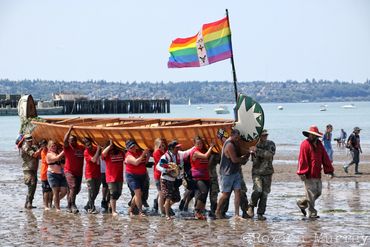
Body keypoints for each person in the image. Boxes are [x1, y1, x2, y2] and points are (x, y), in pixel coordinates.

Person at [296, 125, 334, 219]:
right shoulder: (304, 144)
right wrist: (302, 173)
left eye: (315, 135)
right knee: (311, 194)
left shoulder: (320, 144)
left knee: (318, 192)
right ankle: (312, 213)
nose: (313, 137)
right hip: (308, 174)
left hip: (317, 173)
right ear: (309, 135)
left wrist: (329, 170)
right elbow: (302, 159)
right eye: (311, 135)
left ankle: (301, 203)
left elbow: (325, 157)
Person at [215, 129, 249, 219]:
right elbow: (234, 160)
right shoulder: (229, 144)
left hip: (235, 172)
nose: (238, 139)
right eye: (236, 137)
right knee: (225, 194)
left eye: (238, 137)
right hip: (227, 173)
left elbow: (241, 151)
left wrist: (249, 152)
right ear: (232, 135)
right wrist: (244, 159)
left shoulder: (234, 142)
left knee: (238, 192)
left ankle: (237, 214)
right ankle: (217, 211)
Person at [247, 129, 276, 221]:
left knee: (265, 194)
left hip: (267, 173)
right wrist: (250, 151)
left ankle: (260, 213)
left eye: (266, 135)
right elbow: (248, 153)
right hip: (257, 173)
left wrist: (257, 150)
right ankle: (251, 205)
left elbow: (269, 155)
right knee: (258, 190)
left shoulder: (271, 144)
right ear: (259, 136)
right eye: (263, 135)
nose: (265, 137)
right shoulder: (254, 144)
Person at [157, 140, 185, 220]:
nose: (178, 149)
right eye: (176, 148)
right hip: (165, 179)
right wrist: (166, 170)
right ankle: (167, 215)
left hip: (173, 180)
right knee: (168, 197)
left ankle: (166, 206)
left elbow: (178, 167)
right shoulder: (165, 157)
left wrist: (180, 175)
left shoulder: (177, 156)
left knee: (177, 198)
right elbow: (158, 167)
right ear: (172, 148)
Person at [189, 136, 214, 220]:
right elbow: (205, 156)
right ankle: (196, 211)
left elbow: (207, 162)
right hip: (197, 177)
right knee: (203, 192)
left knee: (205, 195)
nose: (200, 145)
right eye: (198, 143)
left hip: (206, 176)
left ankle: (201, 212)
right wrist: (211, 146)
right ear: (194, 144)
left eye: (201, 143)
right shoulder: (195, 152)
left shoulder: (203, 150)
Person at [125, 140, 150, 217]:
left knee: (138, 194)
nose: (133, 148)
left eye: (133, 146)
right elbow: (136, 162)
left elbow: (145, 162)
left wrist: (148, 153)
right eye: (131, 147)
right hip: (132, 176)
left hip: (142, 175)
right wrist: (144, 153)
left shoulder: (139, 151)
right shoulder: (128, 155)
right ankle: (140, 211)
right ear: (128, 148)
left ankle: (131, 209)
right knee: (138, 193)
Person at [63, 126, 85, 214]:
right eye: (71, 140)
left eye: (74, 140)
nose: (73, 142)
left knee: (74, 190)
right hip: (69, 171)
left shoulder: (81, 147)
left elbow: (88, 144)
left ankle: (68, 206)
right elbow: (65, 140)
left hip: (79, 172)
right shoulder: (67, 148)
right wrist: (69, 130)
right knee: (73, 187)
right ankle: (73, 205)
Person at [102, 140, 125, 216]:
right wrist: (110, 146)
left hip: (119, 177)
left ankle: (109, 203)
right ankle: (113, 211)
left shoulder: (121, 152)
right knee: (113, 193)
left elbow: (126, 155)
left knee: (119, 193)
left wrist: (120, 145)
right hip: (111, 177)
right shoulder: (108, 153)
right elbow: (103, 153)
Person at [21, 134, 42, 209]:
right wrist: (41, 148)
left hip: (33, 169)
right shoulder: (25, 147)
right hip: (28, 169)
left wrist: (40, 147)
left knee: (33, 186)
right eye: (28, 141)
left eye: (31, 140)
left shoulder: (33, 147)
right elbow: (35, 155)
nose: (30, 142)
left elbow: (39, 156)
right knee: (31, 185)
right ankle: (29, 203)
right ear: (25, 141)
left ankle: (28, 203)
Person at [46, 140, 67, 212]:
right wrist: (65, 150)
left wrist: (64, 171)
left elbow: (61, 163)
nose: (54, 147)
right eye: (52, 146)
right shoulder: (49, 154)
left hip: (61, 174)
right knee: (56, 192)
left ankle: (54, 202)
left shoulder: (57, 152)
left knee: (64, 191)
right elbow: (57, 158)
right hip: (52, 175)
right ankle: (58, 208)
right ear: (49, 147)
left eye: (54, 146)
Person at [83, 137, 101, 214]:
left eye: (90, 144)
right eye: (87, 145)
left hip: (97, 174)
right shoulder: (86, 152)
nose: (89, 146)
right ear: (85, 146)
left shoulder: (95, 148)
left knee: (96, 192)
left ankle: (87, 205)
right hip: (89, 174)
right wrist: (98, 150)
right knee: (91, 192)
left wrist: (98, 148)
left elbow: (101, 149)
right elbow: (93, 160)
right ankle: (91, 208)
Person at [152, 138, 167, 214]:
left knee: (161, 192)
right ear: (157, 146)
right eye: (160, 146)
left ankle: (156, 202)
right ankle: (162, 212)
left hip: (163, 175)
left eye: (163, 145)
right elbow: (162, 163)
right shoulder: (156, 153)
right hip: (158, 175)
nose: (162, 147)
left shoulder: (163, 151)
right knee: (162, 193)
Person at [39, 139, 53, 210]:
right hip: (44, 173)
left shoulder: (49, 151)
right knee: (46, 191)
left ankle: (50, 204)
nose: (44, 146)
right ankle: (45, 205)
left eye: (45, 145)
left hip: (50, 173)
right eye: (42, 145)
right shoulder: (43, 152)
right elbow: (48, 161)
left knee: (51, 191)